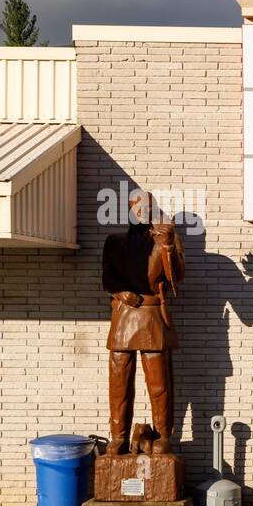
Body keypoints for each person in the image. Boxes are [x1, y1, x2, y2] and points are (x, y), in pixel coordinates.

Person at [102, 191, 184, 456]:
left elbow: (175, 280)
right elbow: (107, 278)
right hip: (124, 314)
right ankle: (118, 436)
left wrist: (169, 245)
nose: (144, 211)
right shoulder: (114, 242)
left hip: (151, 315)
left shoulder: (164, 239)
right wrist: (119, 292)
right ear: (130, 208)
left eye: (149, 206)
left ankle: (162, 436)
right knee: (119, 381)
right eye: (138, 206)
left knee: (159, 383)